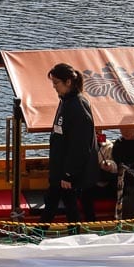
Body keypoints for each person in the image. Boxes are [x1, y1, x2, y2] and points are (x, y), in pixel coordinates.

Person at [34, 63, 98, 225]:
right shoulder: (65, 101)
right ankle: (43, 236)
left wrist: (69, 173)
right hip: (60, 168)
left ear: (68, 82)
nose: (54, 87)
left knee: (58, 206)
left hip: (68, 172)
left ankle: (35, 238)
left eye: (56, 83)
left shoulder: (78, 106)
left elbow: (80, 145)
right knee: (64, 205)